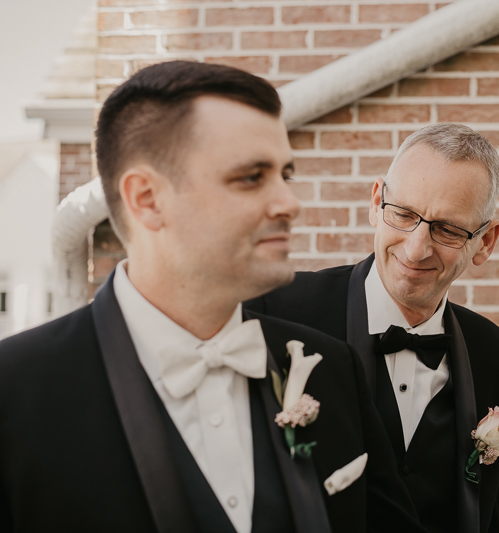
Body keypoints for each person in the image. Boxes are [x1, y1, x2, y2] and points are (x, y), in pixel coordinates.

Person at [0, 61, 424, 533]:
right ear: (147, 199)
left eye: (285, 173)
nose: (289, 202)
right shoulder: (15, 390)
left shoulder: (328, 368)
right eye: (250, 177)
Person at [246, 123, 499, 533]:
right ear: (377, 201)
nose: (416, 248)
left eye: (448, 229)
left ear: (485, 242)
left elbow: (489, 516)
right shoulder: (275, 310)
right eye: (403, 214)